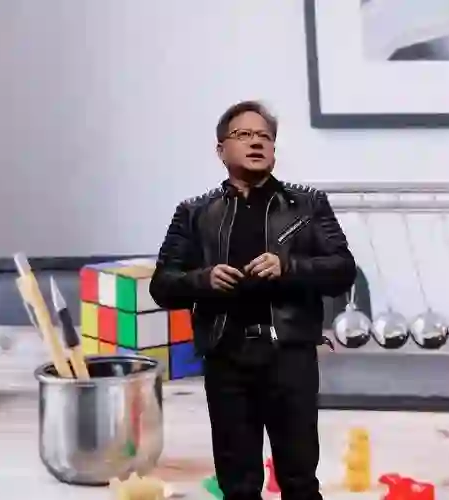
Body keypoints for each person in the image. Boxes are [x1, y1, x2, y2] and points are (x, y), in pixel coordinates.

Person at [149, 100, 356, 500]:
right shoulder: (194, 213)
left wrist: (288, 267)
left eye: (265, 136)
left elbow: (342, 270)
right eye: (244, 135)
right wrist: (204, 279)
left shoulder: (307, 205)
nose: (256, 142)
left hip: (290, 356)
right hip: (226, 357)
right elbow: (162, 285)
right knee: (238, 483)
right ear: (221, 149)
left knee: (299, 478)